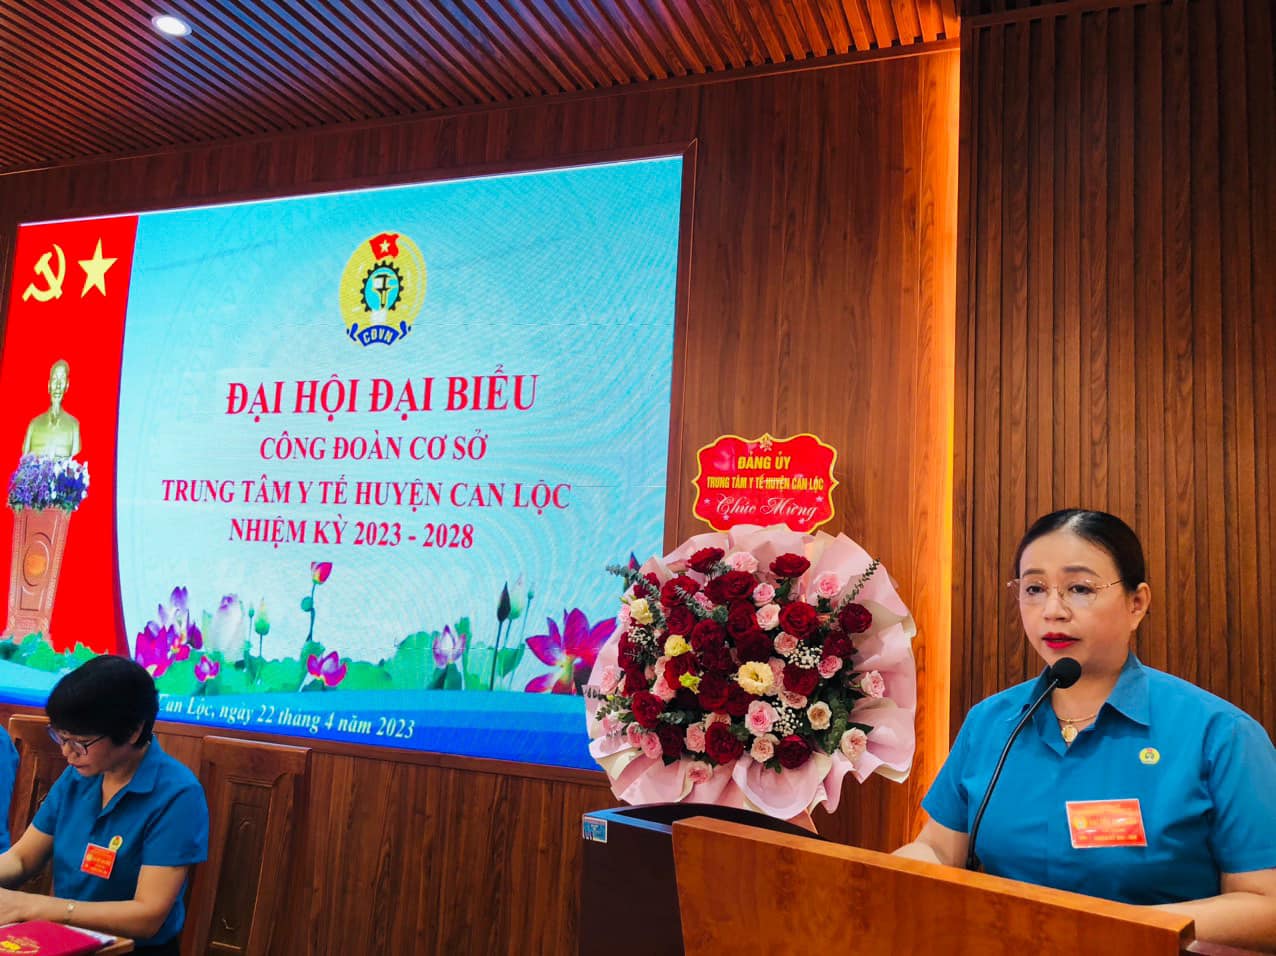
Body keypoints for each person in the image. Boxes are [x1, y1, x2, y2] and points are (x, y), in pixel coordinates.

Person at [896, 509, 1276, 950]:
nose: (1052, 611)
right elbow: (940, 849)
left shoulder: (1221, 734)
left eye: (1079, 588)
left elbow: (1265, 906)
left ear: (1137, 604)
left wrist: (1106, 929)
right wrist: (890, 877)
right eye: (1034, 589)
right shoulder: (991, 721)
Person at [0, 655, 207, 955]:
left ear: (133, 731)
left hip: (131, 949)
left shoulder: (178, 794)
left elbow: (147, 915)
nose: (67, 753)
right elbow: (22, 859)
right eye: (61, 737)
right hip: (65, 939)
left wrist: (32, 905)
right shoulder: (79, 776)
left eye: (80, 742)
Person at [22, 358, 81, 459]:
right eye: (54, 379)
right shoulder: (34, 425)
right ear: (48, 385)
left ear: (67, 385)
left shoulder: (73, 426)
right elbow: (23, 461)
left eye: (62, 380)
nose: (58, 386)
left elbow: (75, 460)